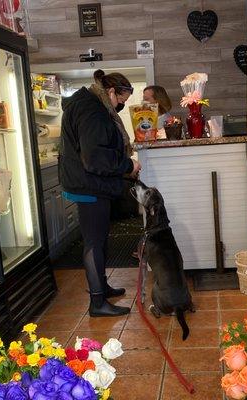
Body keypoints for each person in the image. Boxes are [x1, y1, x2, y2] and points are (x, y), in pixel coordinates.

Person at [59, 69, 141, 317]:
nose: (120, 108)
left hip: (87, 183)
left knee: (100, 238)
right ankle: (97, 303)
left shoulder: (91, 102)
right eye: (120, 101)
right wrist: (128, 166)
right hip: (89, 185)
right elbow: (94, 157)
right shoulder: (92, 110)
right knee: (94, 242)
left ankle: (101, 287)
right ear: (111, 91)